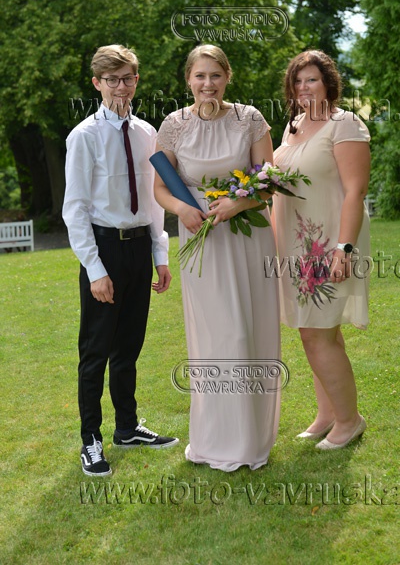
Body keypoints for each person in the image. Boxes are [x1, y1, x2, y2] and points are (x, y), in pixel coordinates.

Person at [154, 44, 280, 471]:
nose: (208, 84)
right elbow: (160, 187)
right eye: (200, 76)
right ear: (188, 80)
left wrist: (237, 204)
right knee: (216, 337)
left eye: (215, 75)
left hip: (248, 238)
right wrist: (181, 209)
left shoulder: (250, 119)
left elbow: (269, 181)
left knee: (248, 333)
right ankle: (212, 439)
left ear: (227, 77)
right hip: (200, 239)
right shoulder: (173, 125)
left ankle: (250, 441)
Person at [63, 44, 178, 477]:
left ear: (136, 80)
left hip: (138, 249)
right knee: (95, 351)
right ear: (97, 83)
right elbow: (75, 209)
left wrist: (160, 254)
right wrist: (95, 270)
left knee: (129, 347)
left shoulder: (148, 132)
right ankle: (90, 439)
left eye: (128, 78)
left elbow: (154, 198)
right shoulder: (84, 136)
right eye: (112, 80)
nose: (121, 87)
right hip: (104, 249)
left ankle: (127, 428)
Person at [272, 49, 370, 450]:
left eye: (311, 79)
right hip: (295, 247)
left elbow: (355, 191)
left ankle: (349, 421)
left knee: (317, 334)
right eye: (297, 81)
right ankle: (327, 415)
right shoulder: (293, 126)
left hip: (327, 244)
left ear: (328, 83)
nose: (303, 87)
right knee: (316, 332)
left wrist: (343, 248)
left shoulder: (344, 124)